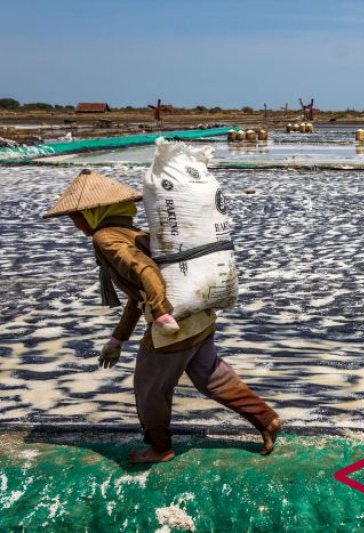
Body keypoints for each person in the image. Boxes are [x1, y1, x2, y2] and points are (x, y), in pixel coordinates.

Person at [43, 169, 280, 464]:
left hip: (175, 326)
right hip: (200, 318)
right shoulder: (135, 233)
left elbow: (146, 272)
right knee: (213, 377)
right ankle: (266, 419)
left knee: (149, 389)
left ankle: (160, 448)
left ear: (95, 212)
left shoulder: (105, 237)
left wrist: (161, 314)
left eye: (76, 216)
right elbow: (135, 297)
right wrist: (117, 339)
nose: (75, 224)